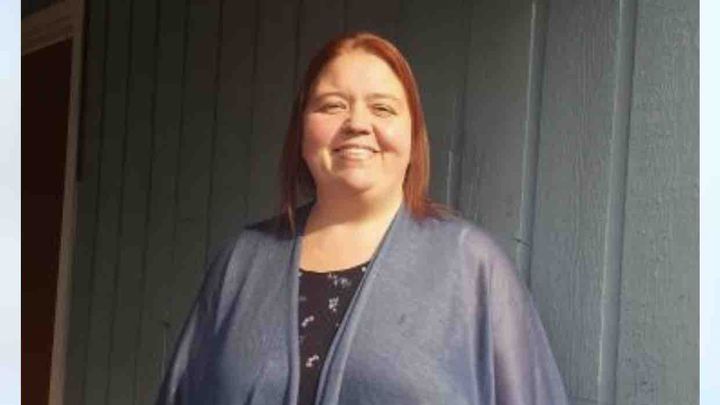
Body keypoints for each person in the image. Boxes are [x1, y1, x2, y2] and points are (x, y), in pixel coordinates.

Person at [156, 31, 569, 405]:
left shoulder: (472, 267)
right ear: (301, 131)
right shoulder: (241, 263)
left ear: (413, 136)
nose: (356, 123)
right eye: (332, 106)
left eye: (382, 108)